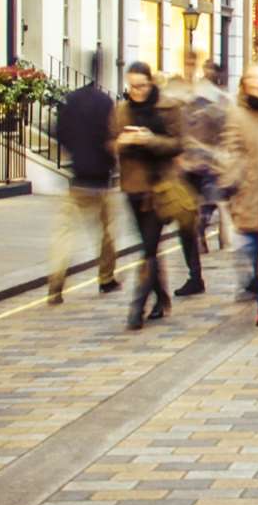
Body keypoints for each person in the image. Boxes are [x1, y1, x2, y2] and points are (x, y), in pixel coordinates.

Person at [113, 62, 185, 330]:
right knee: (149, 247)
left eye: (141, 86)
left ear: (151, 84)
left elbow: (178, 143)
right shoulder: (121, 111)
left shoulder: (168, 108)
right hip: (133, 188)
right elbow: (110, 141)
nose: (137, 92)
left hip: (159, 189)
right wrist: (120, 143)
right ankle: (162, 297)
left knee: (148, 248)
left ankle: (136, 307)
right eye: (132, 87)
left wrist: (150, 140)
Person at [47, 50, 120, 305]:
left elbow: (59, 132)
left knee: (65, 234)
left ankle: (56, 282)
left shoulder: (72, 100)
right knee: (106, 233)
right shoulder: (105, 102)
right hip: (100, 179)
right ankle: (106, 278)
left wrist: (76, 152)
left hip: (77, 178)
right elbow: (112, 137)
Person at [219, 62, 258, 327]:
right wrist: (231, 180)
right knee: (253, 250)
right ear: (244, 84)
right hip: (246, 192)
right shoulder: (236, 114)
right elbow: (231, 148)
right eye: (253, 80)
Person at [163, 49, 226, 295]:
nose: (190, 65)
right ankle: (195, 276)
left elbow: (223, 124)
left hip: (209, 166)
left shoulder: (208, 92)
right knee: (186, 223)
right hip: (184, 167)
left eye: (193, 61)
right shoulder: (174, 89)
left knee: (217, 214)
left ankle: (254, 276)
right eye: (187, 61)